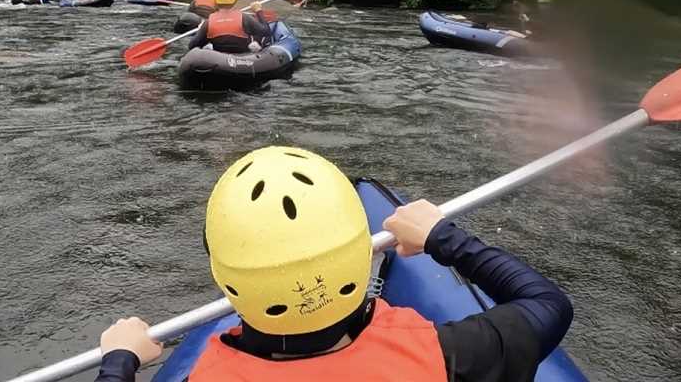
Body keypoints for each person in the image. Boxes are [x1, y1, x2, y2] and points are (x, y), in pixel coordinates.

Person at [95, 147, 574, 382]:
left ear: (228, 279)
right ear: (359, 254)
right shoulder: (439, 355)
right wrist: (442, 238)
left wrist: (121, 359)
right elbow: (546, 304)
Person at [187, 0, 270, 53]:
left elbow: (192, 45)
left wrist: (202, 30)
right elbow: (266, 32)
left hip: (217, 60)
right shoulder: (245, 18)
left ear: (215, 0)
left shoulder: (208, 22)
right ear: (235, 0)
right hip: (244, 58)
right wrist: (258, 11)